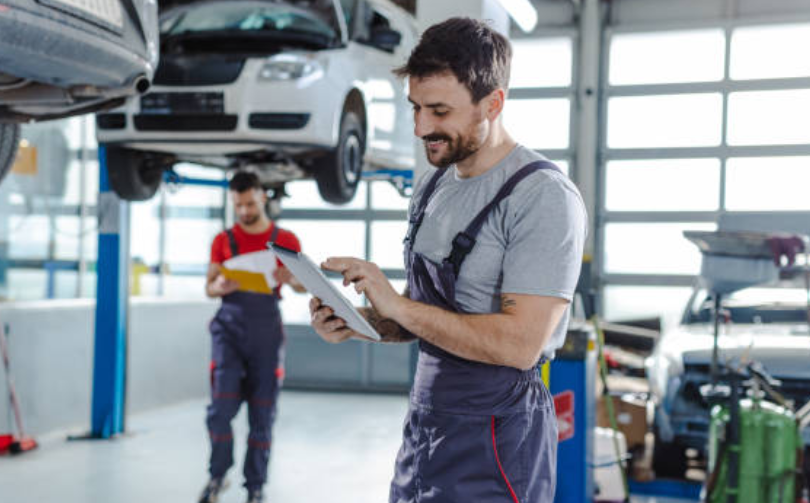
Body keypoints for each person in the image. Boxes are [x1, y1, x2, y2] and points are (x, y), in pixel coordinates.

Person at [309, 17, 587, 503]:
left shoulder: (541, 197)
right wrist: (360, 321)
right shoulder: (432, 187)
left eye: (439, 111)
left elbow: (521, 346)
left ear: (493, 103)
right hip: (427, 427)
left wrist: (398, 306)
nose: (421, 128)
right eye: (416, 108)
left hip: (498, 438)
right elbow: (423, 318)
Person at [201, 171, 305, 503]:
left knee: (262, 414)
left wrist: (291, 278)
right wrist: (219, 286)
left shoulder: (286, 240)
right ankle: (218, 475)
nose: (244, 211)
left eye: (249, 203)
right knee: (220, 410)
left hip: (266, 331)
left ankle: (255, 487)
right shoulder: (223, 240)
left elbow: (303, 285)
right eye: (238, 205)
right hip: (228, 329)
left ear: (262, 196)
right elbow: (209, 287)